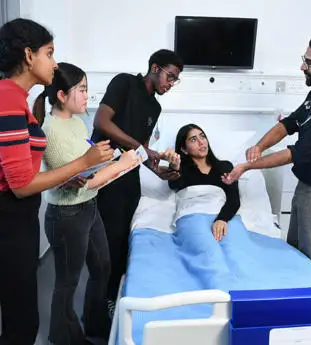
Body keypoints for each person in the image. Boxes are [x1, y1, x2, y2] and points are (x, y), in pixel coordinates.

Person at [0, 19, 113, 345]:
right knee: (21, 321)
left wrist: (78, 173)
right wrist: (84, 164)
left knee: (22, 317)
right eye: (49, 53)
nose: (55, 62)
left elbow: (25, 173)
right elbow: (20, 184)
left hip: (19, 216)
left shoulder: (18, 99)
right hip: (10, 219)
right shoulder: (8, 96)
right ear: (28, 55)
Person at [222, 29, 311, 283]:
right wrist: (259, 146)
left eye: (310, 63)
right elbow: (289, 124)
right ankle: (292, 310)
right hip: (307, 185)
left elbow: (296, 153)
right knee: (293, 256)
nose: (302, 67)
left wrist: (247, 166)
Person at [33, 62, 138, 345]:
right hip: (67, 215)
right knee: (67, 283)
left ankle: (94, 323)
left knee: (102, 267)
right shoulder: (51, 132)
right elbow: (83, 181)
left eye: (87, 89)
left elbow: (89, 165)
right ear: (61, 96)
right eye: (81, 89)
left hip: (89, 209)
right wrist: (124, 165)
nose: (86, 96)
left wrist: (116, 159)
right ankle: (63, 336)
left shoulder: (78, 123)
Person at [91, 49, 184, 313]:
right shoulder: (124, 83)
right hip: (105, 172)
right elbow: (102, 121)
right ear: (155, 68)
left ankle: (113, 299)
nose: (171, 83)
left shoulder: (155, 107)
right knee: (106, 243)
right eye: (170, 76)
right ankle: (98, 307)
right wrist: (141, 149)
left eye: (176, 80)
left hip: (129, 179)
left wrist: (158, 170)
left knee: (122, 242)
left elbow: (142, 150)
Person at [167, 124, 240, 241]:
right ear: (184, 149)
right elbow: (173, 184)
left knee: (235, 244)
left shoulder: (225, 167)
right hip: (194, 217)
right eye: (193, 139)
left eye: (202, 137)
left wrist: (221, 219)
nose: (201, 142)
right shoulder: (181, 170)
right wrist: (175, 167)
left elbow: (234, 199)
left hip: (224, 217)